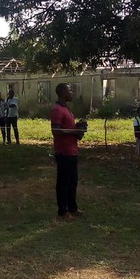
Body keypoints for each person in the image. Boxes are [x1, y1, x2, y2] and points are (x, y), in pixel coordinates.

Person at [51, 83, 87, 221]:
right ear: (62, 92)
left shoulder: (67, 109)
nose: (72, 92)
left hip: (72, 151)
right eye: (69, 90)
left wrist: (79, 127)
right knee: (63, 183)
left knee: (73, 182)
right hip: (63, 152)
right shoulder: (57, 109)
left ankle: (73, 208)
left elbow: (69, 128)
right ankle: (62, 211)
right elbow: (56, 130)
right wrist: (75, 130)